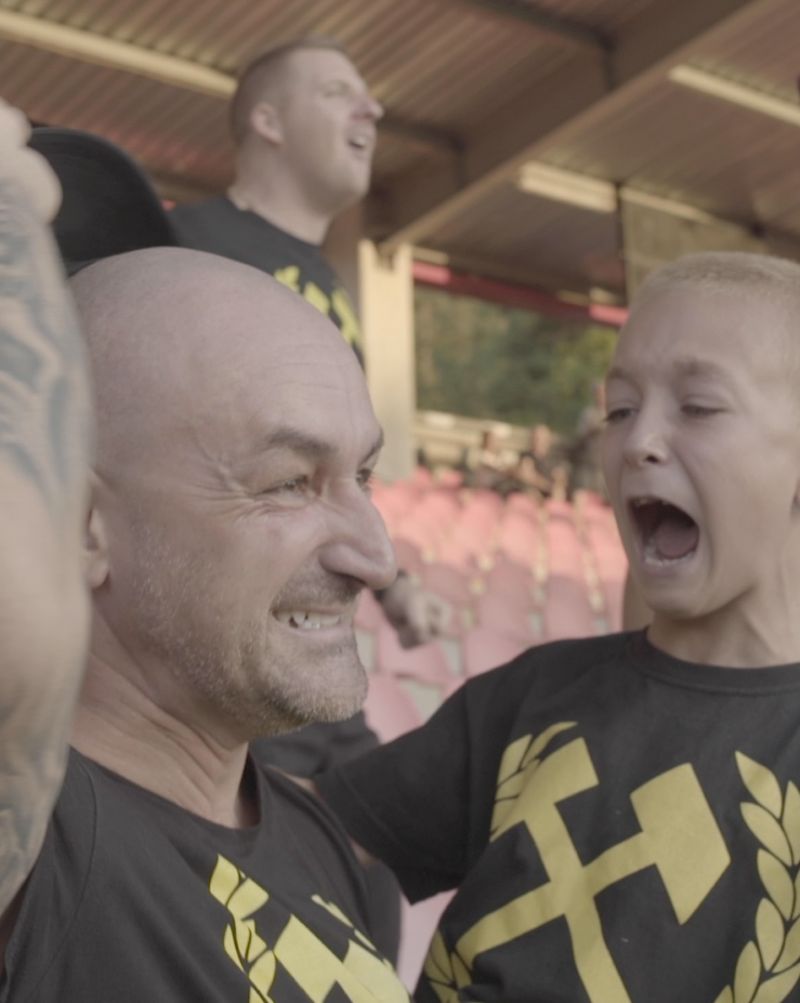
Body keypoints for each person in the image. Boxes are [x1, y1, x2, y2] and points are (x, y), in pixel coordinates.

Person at [0, 112, 410, 1001]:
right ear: (75, 522)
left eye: (364, 476)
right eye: (290, 482)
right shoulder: (35, 864)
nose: (374, 558)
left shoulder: (320, 837)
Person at [317, 250, 800, 1001]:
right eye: (619, 409)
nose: (637, 440)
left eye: (700, 406)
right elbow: (294, 841)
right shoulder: (530, 697)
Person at [170, 38, 448, 957]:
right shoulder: (183, 243)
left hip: (322, 654)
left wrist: (395, 583)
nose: (373, 110)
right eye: (338, 92)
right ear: (268, 120)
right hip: (231, 652)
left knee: (372, 886)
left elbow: (337, 469)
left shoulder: (329, 285)